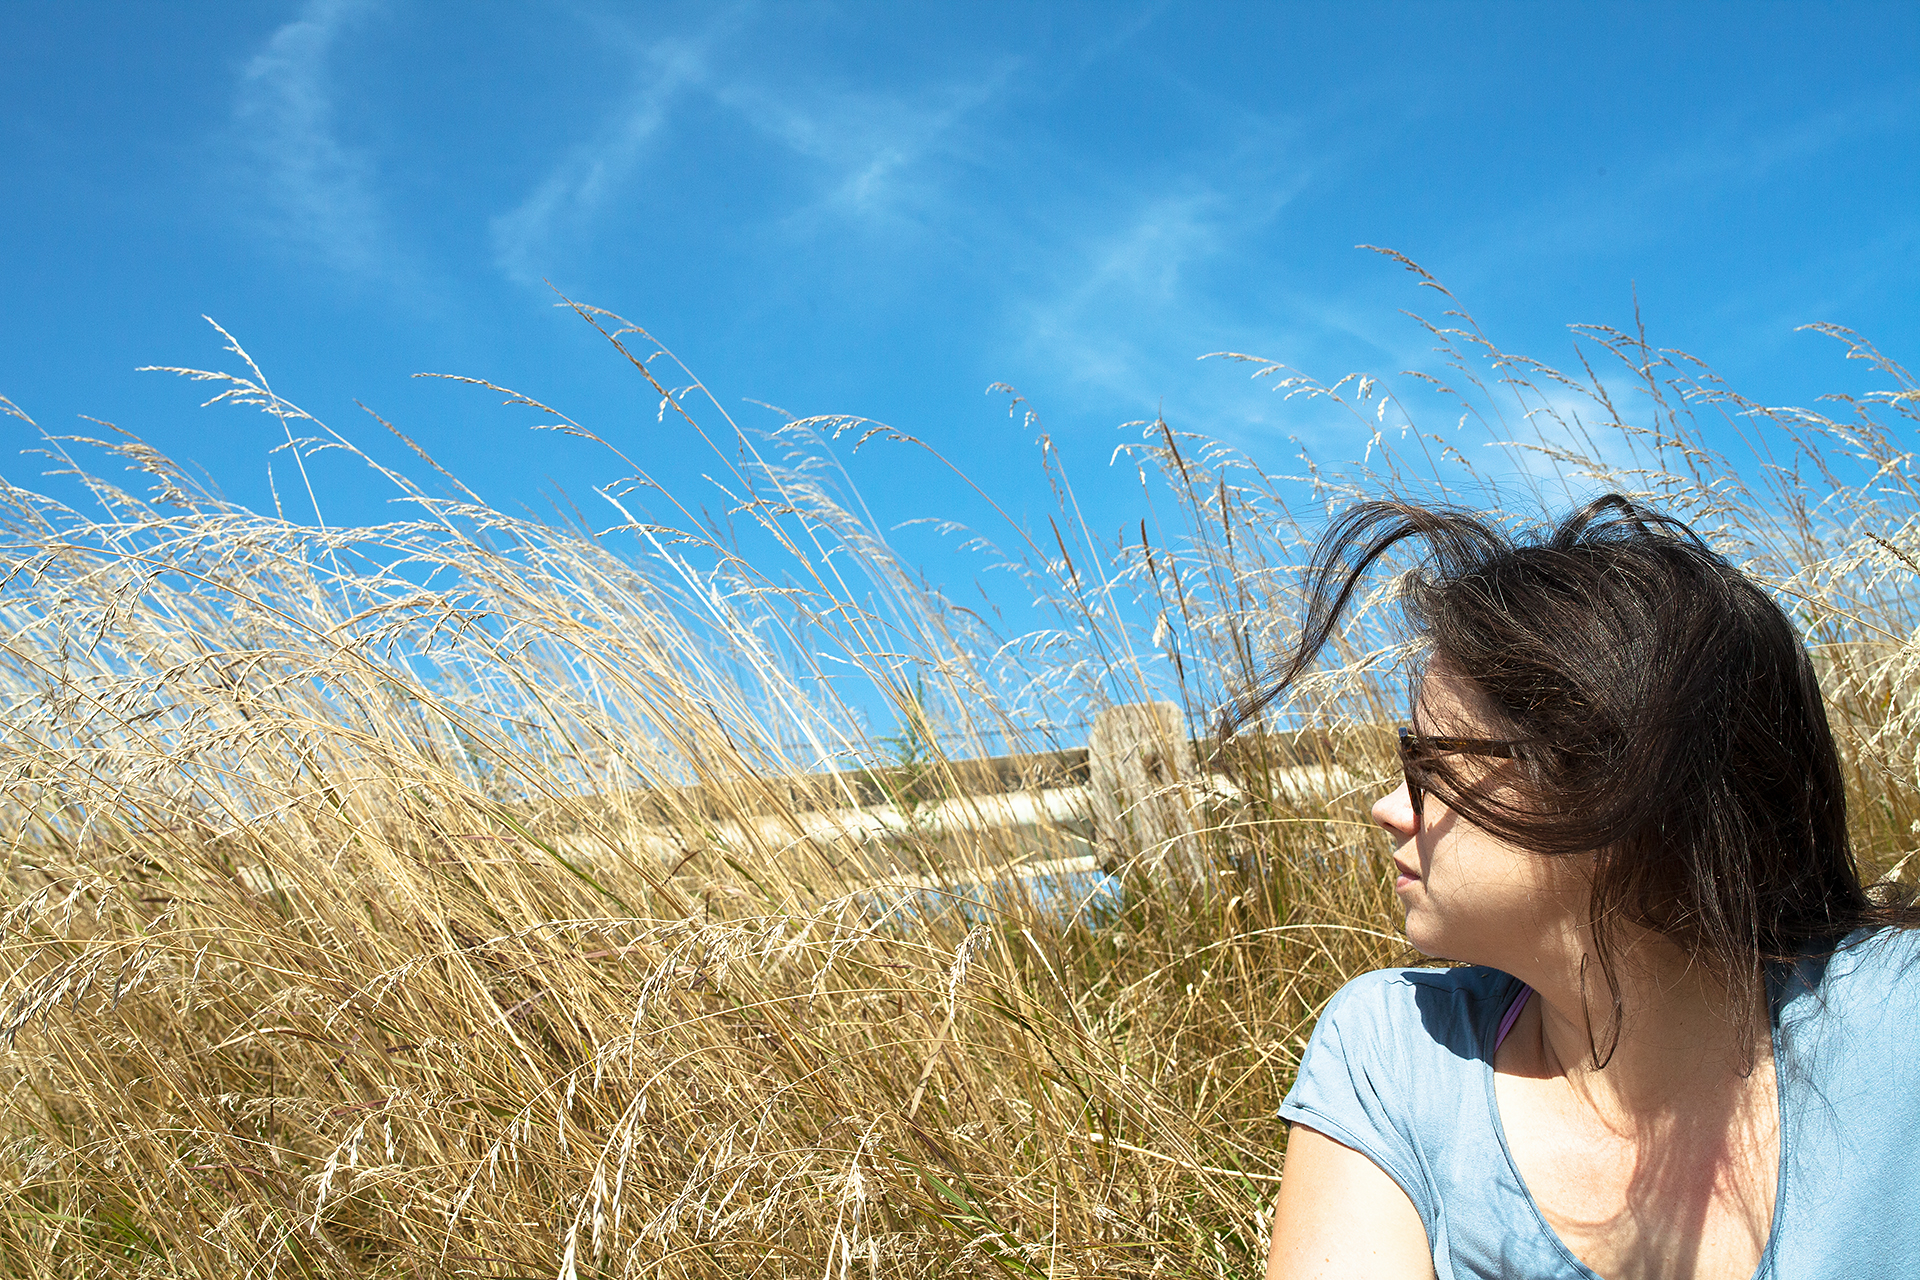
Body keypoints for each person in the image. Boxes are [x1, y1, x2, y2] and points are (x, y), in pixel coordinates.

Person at [1246, 496, 1920, 1280]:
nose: (1389, 808)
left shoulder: (1896, 1022)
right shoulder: (1394, 1055)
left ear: (1611, 788)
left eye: (1427, 766)